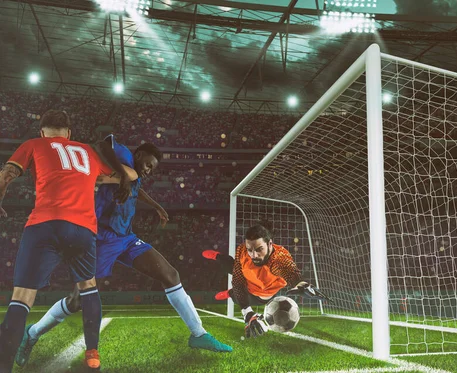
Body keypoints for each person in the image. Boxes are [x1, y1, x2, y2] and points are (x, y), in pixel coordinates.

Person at [16, 135, 231, 369]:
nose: (149, 170)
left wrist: (155, 205)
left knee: (171, 275)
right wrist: (123, 177)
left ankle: (198, 334)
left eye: (152, 168)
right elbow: (101, 144)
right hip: (99, 239)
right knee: (77, 301)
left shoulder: (134, 174)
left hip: (126, 238)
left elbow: (136, 187)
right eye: (148, 164)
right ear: (138, 155)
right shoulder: (123, 155)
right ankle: (33, 333)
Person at [0, 110, 135, 372]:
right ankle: (93, 354)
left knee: (23, 297)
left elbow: (6, 175)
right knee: (89, 287)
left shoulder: (33, 144)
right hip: (83, 230)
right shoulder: (87, 152)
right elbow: (130, 175)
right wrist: (110, 168)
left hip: (45, 224)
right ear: (69, 134)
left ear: (42, 133)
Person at [202, 223, 329, 338]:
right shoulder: (242, 250)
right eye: (250, 249)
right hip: (248, 276)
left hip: (259, 293)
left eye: (259, 249)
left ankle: (229, 293)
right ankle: (217, 256)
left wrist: (301, 284)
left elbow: (290, 271)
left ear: (269, 244)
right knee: (233, 267)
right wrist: (247, 312)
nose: (254, 255)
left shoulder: (278, 259)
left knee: (238, 296)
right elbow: (237, 282)